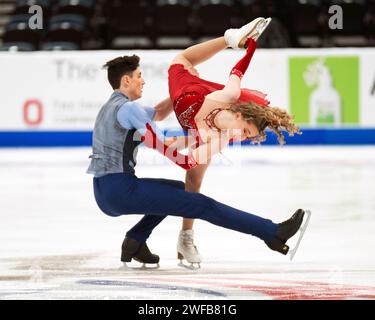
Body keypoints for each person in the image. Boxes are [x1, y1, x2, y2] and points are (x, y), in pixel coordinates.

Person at [87, 47, 307, 269]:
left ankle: (136, 240)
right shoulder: (129, 109)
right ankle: (272, 233)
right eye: (139, 76)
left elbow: (160, 112)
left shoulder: (112, 107)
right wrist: (189, 154)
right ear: (126, 80)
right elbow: (158, 142)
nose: (143, 81)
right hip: (120, 191)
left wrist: (185, 89)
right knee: (202, 205)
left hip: (103, 189)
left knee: (180, 190)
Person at [163, 17, 301, 267]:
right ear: (239, 114)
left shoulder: (220, 139)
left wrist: (177, 144)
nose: (244, 137)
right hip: (188, 90)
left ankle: (186, 237)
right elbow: (238, 70)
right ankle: (229, 37)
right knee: (181, 60)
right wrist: (249, 46)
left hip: (190, 119)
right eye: (246, 130)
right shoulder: (229, 95)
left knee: (194, 180)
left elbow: (188, 161)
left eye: (248, 138)